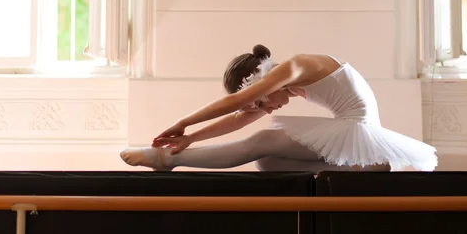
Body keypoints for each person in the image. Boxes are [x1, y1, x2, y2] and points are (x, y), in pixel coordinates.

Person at [120, 45, 438, 172]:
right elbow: (238, 118)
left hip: (364, 138)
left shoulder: (296, 67)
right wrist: (191, 137)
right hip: (361, 155)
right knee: (266, 163)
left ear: (262, 80)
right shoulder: (284, 82)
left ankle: (166, 160)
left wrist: (182, 124)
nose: (265, 109)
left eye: (261, 101)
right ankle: (353, 175)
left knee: (264, 141)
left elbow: (238, 105)